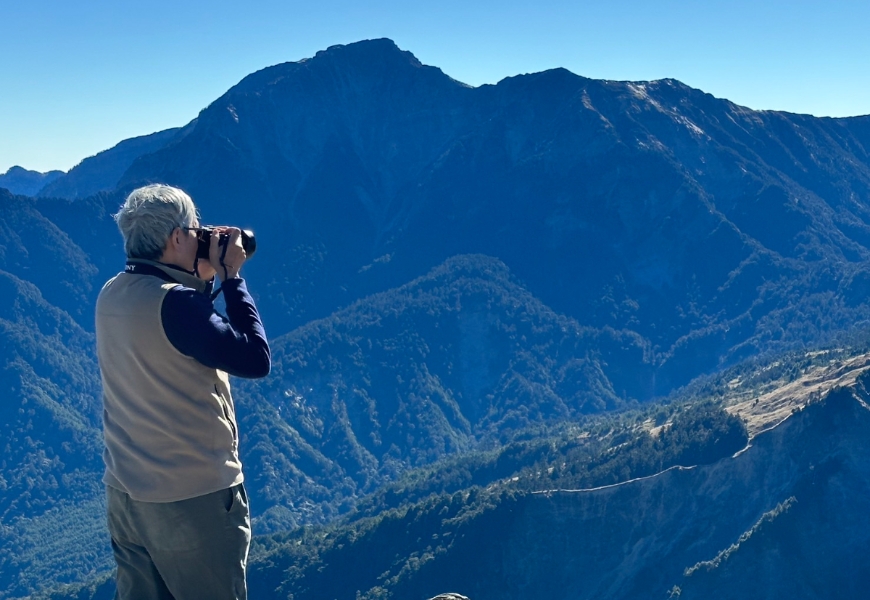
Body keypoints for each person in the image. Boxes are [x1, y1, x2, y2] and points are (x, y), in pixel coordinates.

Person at [95, 184, 270, 599]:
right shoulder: (177, 305)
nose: (203, 235)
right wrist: (231, 277)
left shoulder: (112, 293)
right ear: (176, 237)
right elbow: (254, 359)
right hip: (192, 499)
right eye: (196, 229)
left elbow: (179, 335)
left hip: (127, 494)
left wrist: (198, 278)